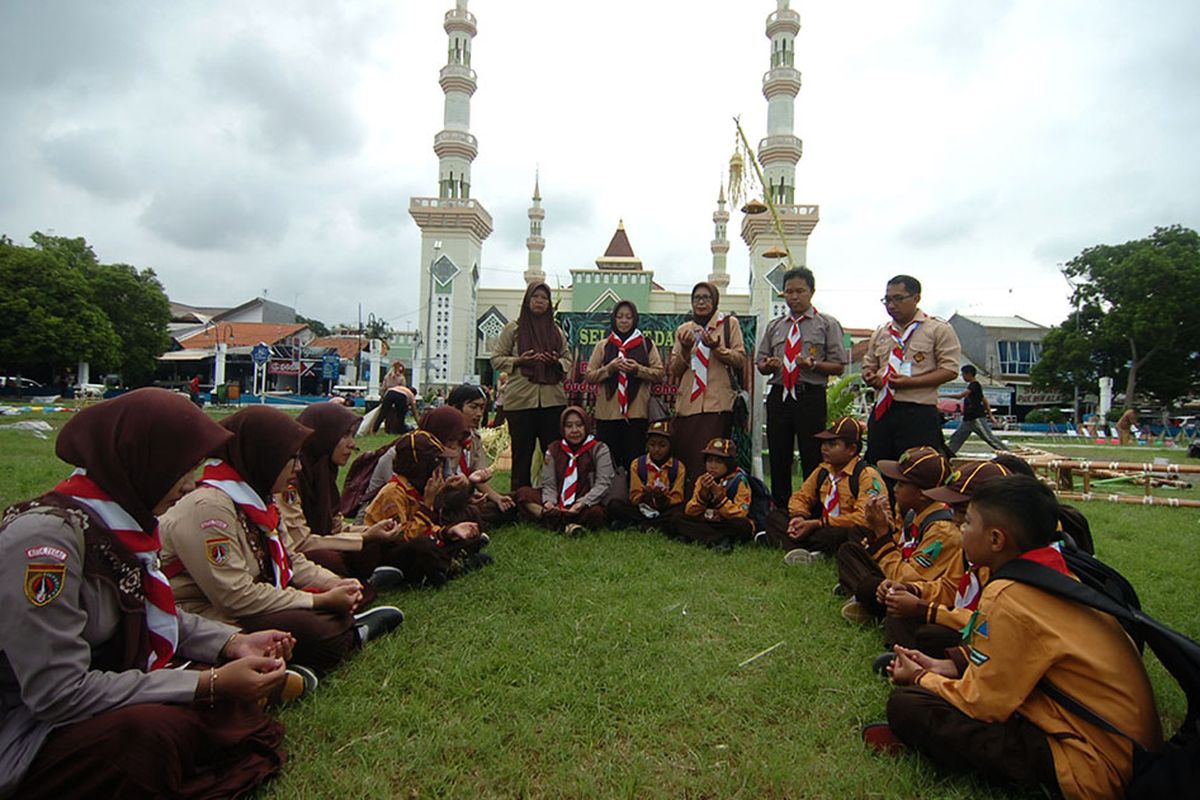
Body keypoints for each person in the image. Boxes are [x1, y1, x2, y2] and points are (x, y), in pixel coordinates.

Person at [0, 388, 290, 798]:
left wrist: (232, 643)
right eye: (180, 469)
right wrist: (207, 683)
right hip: (29, 726)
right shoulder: (47, 542)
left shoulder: (118, 523)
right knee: (150, 732)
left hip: (100, 692)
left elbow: (147, 609)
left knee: (214, 711)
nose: (190, 485)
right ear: (141, 461)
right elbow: (57, 694)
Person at [873, 476, 1162, 799]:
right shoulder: (1059, 572)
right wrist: (944, 667)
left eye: (968, 521)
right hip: (1126, 749)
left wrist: (922, 677)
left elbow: (982, 704)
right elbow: (1020, 654)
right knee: (930, 661)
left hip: (1094, 766)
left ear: (996, 539)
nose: (961, 529)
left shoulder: (1007, 594)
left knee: (908, 705)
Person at [159, 406, 403, 675]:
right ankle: (345, 636)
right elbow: (234, 596)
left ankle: (338, 630)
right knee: (316, 630)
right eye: (290, 458)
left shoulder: (258, 498)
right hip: (207, 614)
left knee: (330, 602)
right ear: (261, 457)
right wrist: (318, 601)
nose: (298, 467)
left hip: (256, 598)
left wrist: (332, 583)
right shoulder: (210, 507)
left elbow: (291, 558)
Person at [873, 460, 1011, 665]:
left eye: (965, 515)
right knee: (896, 600)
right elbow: (948, 587)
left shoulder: (1016, 570)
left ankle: (921, 661)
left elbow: (989, 625)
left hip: (993, 641)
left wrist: (923, 608)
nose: (956, 521)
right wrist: (910, 590)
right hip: (960, 618)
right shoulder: (971, 547)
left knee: (929, 635)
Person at [279, 402, 406, 591]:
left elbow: (334, 526)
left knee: (381, 545)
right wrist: (364, 538)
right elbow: (301, 542)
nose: (352, 444)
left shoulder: (324, 471)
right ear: (323, 435)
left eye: (353, 435)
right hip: (301, 553)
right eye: (344, 435)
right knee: (326, 558)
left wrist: (368, 532)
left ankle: (358, 580)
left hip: (322, 544)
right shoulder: (290, 477)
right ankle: (358, 584)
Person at [362, 408, 491, 586]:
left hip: (423, 528)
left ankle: (449, 559)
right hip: (389, 546)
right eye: (451, 439)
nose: (454, 445)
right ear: (420, 467)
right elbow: (404, 536)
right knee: (422, 546)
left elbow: (434, 518)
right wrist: (429, 503)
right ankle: (450, 564)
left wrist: (449, 531)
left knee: (468, 514)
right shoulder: (395, 485)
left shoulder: (424, 469)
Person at [755, 267, 848, 507]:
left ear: (811, 292)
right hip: (779, 396)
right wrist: (768, 364)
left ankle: (812, 507)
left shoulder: (826, 324)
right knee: (778, 453)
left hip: (810, 396)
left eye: (800, 291)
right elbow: (760, 362)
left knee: (813, 454)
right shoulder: (775, 326)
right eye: (788, 292)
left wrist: (813, 364)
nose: (794, 297)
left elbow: (838, 365)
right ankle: (781, 506)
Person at [836, 446, 960, 624]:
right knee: (850, 548)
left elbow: (908, 578)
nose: (895, 488)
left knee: (871, 587)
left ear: (922, 494)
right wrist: (878, 534)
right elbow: (901, 549)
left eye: (902, 484)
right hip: (900, 574)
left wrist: (882, 534)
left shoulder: (942, 529)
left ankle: (867, 599)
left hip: (915, 587)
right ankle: (864, 594)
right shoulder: (913, 513)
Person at [861, 275, 961, 465]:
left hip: (918, 412)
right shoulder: (882, 332)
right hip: (883, 410)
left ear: (916, 298)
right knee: (878, 466)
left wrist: (911, 382)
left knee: (917, 470)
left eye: (898, 298)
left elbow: (949, 369)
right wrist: (870, 376)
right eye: (887, 300)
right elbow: (870, 365)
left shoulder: (937, 329)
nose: (891, 305)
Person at [761, 416, 884, 562]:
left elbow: (863, 518)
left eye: (832, 444)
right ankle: (802, 552)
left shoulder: (866, 475)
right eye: (824, 443)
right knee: (776, 517)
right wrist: (798, 517)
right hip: (821, 525)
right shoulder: (823, 470)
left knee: (848, 535)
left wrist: (818, 523)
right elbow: (801, 496)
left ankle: (794, 546)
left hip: (841, 528)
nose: (825, 448)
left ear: (851, 449)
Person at [490, 283, 571, 490]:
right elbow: (496, 359)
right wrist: (519, 361)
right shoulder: (514, 329)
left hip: (552, 401)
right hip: (521, 401)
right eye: (535, 297)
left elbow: (568, 360)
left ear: (549, 303)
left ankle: (553, 496)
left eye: (544, 298)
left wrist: (555, 361)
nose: (539, 302)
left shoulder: (555, 332)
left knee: (552, 453)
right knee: (522, 453)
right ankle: (520, 498)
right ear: (527, 301)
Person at [668, 282, 747, 486]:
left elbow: (740, 359)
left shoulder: (729, 325)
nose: (701, 302)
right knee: (687, 457)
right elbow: (674, 370)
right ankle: (688, 503)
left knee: (713, 460)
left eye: (706, 298)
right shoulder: (684, 330)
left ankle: (713, 502)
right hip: (688, 406)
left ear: (715, 301)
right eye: (697, 298)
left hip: (717, 406)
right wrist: (685, 349)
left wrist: (718, 349)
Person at [584, 300, 666, 480]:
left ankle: (632, 500)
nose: (624, 321)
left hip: (636, 415)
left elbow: (659, 374)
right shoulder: (604, 345)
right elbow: (589, 375)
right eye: (619, 316)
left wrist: (637, 369)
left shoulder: (646, 344)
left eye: (628, 317)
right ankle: (606, 500)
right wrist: (609, 369)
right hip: (608, 416)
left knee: (634, 463)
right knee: (607, 463)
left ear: (635, 319)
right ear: (613, 319)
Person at [515, 406, 614, 535]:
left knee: (596, 514)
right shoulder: (553, 449)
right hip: (557, 498)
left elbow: (603, 483)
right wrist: (549, 502)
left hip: (584, 501)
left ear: (587, 426)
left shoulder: (599, 449)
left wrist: (583, 502)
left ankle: (554, 520)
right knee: (523, 494)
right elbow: (549, 483)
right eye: (569, 426)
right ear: (562, 428)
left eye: (579, 425)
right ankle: (564, 522)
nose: (574, 430)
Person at [447, 383, 517, 528]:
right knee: (466, 513)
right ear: (455, 408)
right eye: (473, 407)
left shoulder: (475, 437)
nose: (479, 413)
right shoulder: (443, 437)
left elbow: (477, 476)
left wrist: (497, 498)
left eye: (482, 408)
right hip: (445, 500)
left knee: (516, 499)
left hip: (467, 497)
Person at [671, 437, 753, 553]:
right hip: (706, 520)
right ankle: (719, 540)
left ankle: (697, 536)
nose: (712, 466)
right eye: (709, 461)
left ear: (729, 463)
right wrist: (703, 495)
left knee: (743, 525)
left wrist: (720, 498)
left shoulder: (739, 481)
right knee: (677, 518)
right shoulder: (702, 480)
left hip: (725, 522)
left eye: (719, 462)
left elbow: (741, 513)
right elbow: (690, 511)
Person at [606, 419, 687, 532]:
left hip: (665, 510)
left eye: (662, 445)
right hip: (641, 508)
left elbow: (677, 498)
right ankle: (654, 526)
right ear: (647, 445)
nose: (656, 450)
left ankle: (640, 525)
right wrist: (646, 495)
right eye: (652, 444)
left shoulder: (678, 467)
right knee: (615, 505)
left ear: (671, 446)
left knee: (680, 513)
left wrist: (662, 498)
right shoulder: (637, 464)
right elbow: (634, 497)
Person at [946, 365, 1008, 455]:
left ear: (969, 374)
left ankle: (1010, 455)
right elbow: (985, 401)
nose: (962, 377)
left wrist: (942, 396)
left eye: (963, 374)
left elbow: (960, 396)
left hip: (976, 418)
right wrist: (991, 416)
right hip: (967, 420)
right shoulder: (973, 387)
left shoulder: (975, 385)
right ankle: (947, 456)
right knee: (956, 437)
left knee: (989, 438)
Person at [370, 361, 414, 434]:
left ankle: (375, 430)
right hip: (400, 396)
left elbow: (383, 388)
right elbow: (403, 389)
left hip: (388, 395)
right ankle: (399, 431)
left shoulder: (387, 377)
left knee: (383, 414)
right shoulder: (401, 378)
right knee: (400, 416)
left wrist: (382, 397)